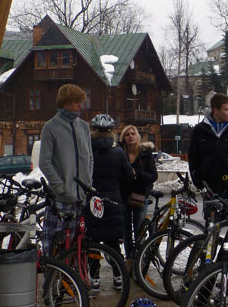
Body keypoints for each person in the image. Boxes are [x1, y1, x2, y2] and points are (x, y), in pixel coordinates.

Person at [38, 84, 94, 256]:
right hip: (61, 198)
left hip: (81, 198)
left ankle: (72, 280)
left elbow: (89, 158)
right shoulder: (51, 127)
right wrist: (61, 187)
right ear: (66, 102)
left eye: (81, 101)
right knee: (54, 245)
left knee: (77, 246)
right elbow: (45, 162)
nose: (80, 105)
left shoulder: (83, 126)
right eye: (77, 101)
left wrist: (87, 182)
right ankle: (53, 279)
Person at [88, 114, 134, 290]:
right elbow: (129, 177)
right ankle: (117, 276)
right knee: (113, 241)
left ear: (94, 132)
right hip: (113, 200)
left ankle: (95, 279)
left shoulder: (88, 151)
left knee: (92, 242)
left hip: (93, 201)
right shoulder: (119, 152)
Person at [188, 93, 228, 212]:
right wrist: (199, 183)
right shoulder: (199, 130)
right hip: (210, 189)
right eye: (227, 109)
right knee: (212, 227)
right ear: (216, 110)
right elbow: (193, 158)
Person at [119, 124, 158, 255]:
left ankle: (138, 260)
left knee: (139, 232)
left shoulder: (145, 154)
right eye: (127, 134)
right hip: (123, 196)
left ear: (137, 136)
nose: (130, 137)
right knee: (126, 232)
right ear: (123, 137)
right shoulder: (119, 153)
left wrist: (138, 173)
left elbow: (153, 176)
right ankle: (129, 259)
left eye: (133, 134)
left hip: (140, 197)